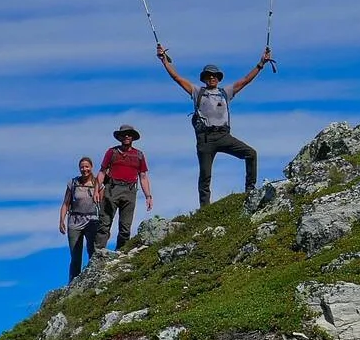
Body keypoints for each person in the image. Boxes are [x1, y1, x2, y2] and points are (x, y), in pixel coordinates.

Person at [156, 43, 271, 206]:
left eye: (215, 75)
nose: (212, 78)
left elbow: (245, 81)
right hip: (205, 139)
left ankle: (250, 189)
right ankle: (205, 208)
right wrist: (164, 61)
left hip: (224, 136)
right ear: (204, 78)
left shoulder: (225, 92)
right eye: (209, 76)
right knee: (205, 175)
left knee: (251, 153)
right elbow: (177, 78)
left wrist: (261, 64)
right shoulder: (198, 92)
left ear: (218, 78)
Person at [96, 124, 154, 252]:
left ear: (133, 137)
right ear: (120, 137)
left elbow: (143, 176)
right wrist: (96, 189)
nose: (127, 136)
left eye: (129, 134)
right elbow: (102, 171)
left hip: (130, 190)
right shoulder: (112, 152)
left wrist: (148, 196)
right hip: (112, 188)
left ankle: (121, 254)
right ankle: (99, 254)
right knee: (104, 224)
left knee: (125, 227)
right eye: (124, 134)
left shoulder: (139, 155)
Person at [59, 157, 105, 281]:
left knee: (93, 252)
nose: (84, 169)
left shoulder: (97, 184)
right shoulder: (73, 183)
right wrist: (61, 220)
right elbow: (65, 203)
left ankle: (93, 279)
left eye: (87, 166)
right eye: (82, 167)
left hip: (92, 220)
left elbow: (102, 203)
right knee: (75, 256)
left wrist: (103, 220)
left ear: (91, 167)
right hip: (74, 221)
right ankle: (73, 283)